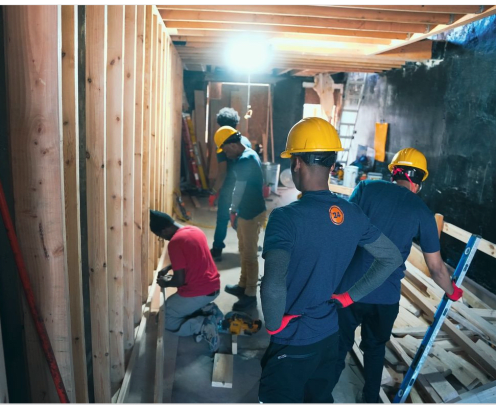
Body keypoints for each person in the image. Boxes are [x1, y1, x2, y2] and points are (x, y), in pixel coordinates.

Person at [258, 117, 403, 403]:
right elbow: (391, 258)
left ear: (297, 162)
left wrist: (274, 325)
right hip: (329, 336)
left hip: (293, 338)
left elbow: (273, 284)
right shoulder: (352, 213)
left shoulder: (285, 217)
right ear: (331, 164)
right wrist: (350, 297)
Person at [331, 147, 463, 403]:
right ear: (419, 182)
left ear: (394, 172)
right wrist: (452, 291)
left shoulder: (365, 189)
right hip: (385, 298)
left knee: (337, 348)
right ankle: (370, 398)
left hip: (348, 291)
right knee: (375, 348)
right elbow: (436, 269)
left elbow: (341, 232)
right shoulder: (422, 211)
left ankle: (320, 396)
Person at [149, 209, 223, 352]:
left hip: (199, 291)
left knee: (164, 319)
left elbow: (179, 281)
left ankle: (203, 326)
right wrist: (171, 267)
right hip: (212, 287)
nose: (163, 239)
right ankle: (207, 309)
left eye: (160, 236)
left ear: (164, 230)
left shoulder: (175, 243)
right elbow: (191, 256)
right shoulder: (194, 231)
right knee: (173, 310)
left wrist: (166, 283)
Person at [214, 125, 266, 311]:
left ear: (233, 145)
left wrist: (232, 209)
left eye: (226, 150)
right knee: (244, 250)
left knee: (250, 255)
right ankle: (243, 285)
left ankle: (250, 295)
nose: (226, 154)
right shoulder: (249, 153)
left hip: (250, 212)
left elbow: (239, 189)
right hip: (248, 211)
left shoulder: (245, 160)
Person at [209, 108, 252, 262]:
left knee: (223, 218)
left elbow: (222, 173)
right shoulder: (245, 141)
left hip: (230, 186)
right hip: (246, 186)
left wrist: (214, 191)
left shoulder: (222, 143)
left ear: (220, 125)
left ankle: (217, 249)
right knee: (243, 216)